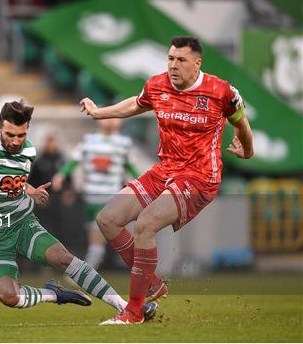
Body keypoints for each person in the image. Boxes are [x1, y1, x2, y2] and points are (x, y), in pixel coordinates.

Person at [0, 100, 157, 322]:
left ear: (27, 130)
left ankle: (128, 307)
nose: (16, 141)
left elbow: (11, 182)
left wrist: (30, 190)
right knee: (8, 296)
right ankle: (53, 294)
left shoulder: (28, 150)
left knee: (64, 259)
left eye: (21, 135)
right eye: (10, 135)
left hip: (22, 225)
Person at [80, 36, 254, 325]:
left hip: (199, 177)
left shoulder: (221, 92)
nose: (173, 65)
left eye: (181, 60)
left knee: (146, 224)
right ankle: (152, 282)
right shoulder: (157, 84)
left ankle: (134, 312)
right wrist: (100, 113)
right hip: (165, 170)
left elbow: (242, 124)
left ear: (197, 63)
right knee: (107, 220)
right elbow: (136, 104)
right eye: (170, 58)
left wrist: (247, 150)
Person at [52, 118, 139, 270]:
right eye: (107, 117)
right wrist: (61, 175)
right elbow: (73, 161)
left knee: (99, 238)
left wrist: (142, 184)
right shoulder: (89, 140)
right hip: (90, 196)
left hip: (111, 197)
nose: (110, 121)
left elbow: (131, 167)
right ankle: (138, 267)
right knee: (98, 238)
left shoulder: (123, 143)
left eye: (114, 117)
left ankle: (85, 272)